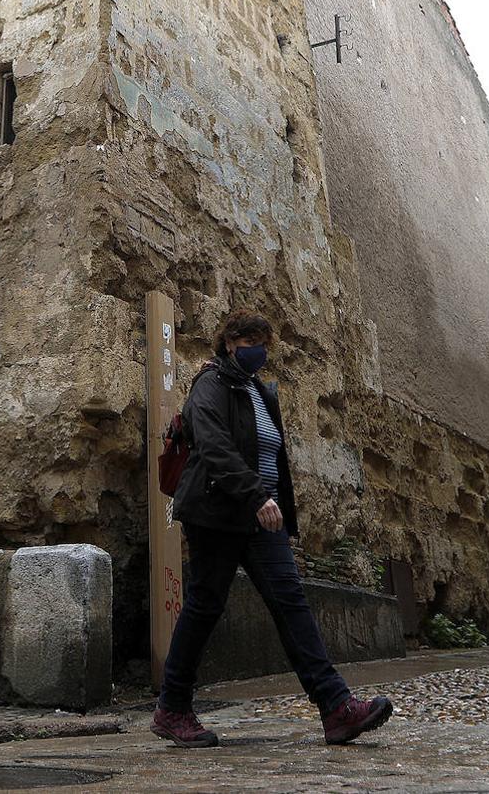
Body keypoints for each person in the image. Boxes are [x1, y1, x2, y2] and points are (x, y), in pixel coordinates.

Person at [150, 309, 393, 747]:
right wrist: (254, 495)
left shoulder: (260, 393)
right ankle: (172, 707)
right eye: (248, 343)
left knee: (291, 602)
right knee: (205, 606)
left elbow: (271, 456)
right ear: (228, 343)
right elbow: (214, 447)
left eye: (262, 343)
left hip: (263, 517)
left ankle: (336, 708)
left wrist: (273, 503)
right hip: (218, 512)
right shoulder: (210, 384)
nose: (256, 351)